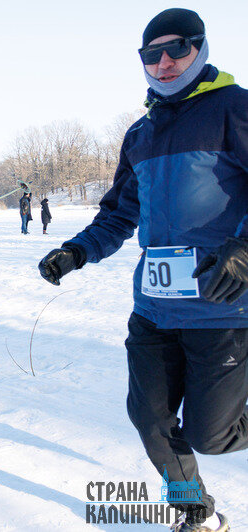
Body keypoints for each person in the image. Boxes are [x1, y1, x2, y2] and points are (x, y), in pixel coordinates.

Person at [38, 9, 246, 532]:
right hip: (154, 309)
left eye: (177, 49)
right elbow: (118, 214)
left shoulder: (235, 109)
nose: (164, 62)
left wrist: (244, 247)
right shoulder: (141, 133)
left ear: (201, 47)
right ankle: (196, 512)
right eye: (152, 54)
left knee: (211, 435)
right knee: (151, 421)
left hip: (222, 307)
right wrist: (77, 251)